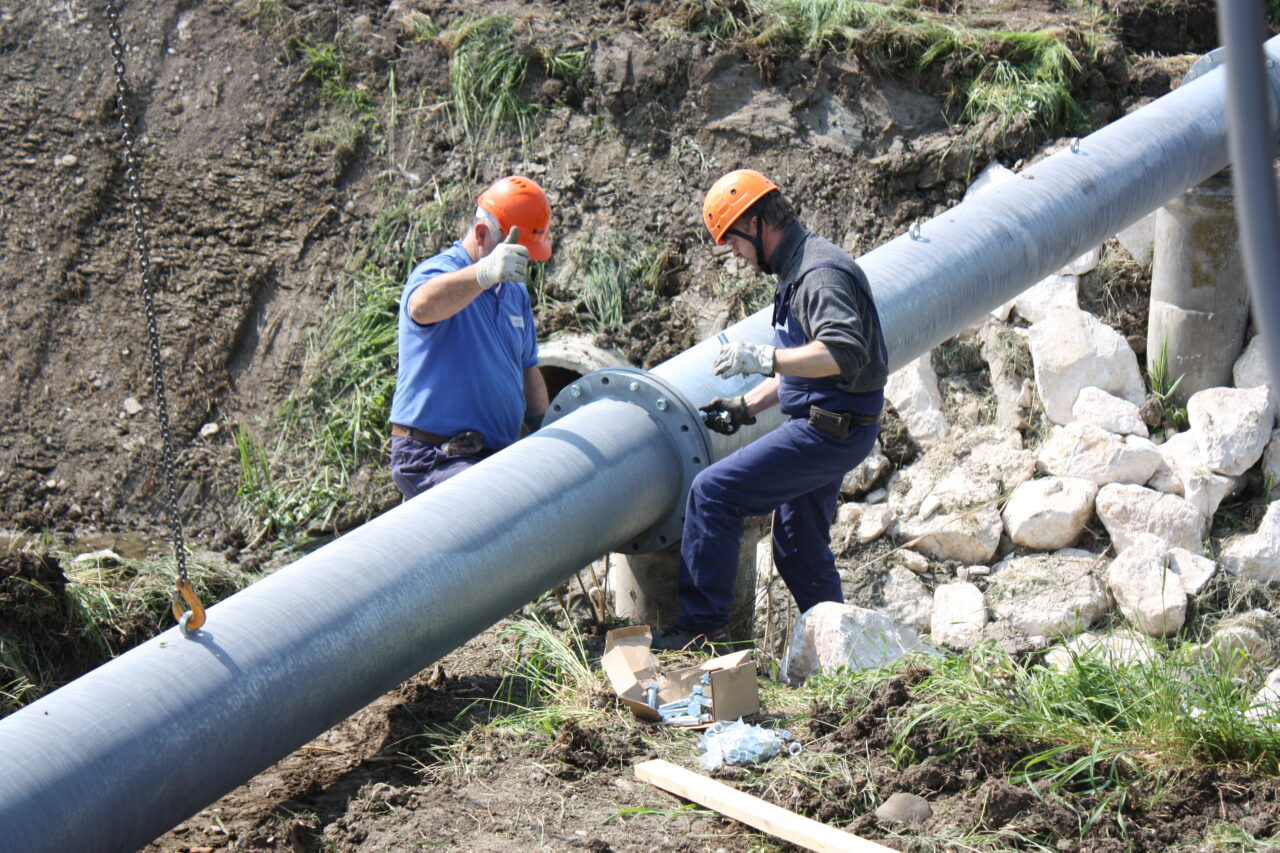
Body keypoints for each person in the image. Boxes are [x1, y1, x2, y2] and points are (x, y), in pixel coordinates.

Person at [652, 169, 889, 652]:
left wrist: (765, 358)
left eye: (734, 242)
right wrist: (747, 405)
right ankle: (842, 654)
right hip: (832, 423)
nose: (735, 255)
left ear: (758, 223)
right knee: (798, 550)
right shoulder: (797, 267)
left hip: (829, 431)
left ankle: (703, 629)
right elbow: (810, 367)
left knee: (713, 493)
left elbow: (843, 354)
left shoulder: (818, 275)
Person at [388, 175, 552, 500]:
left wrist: (547, 428)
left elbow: (527, 370)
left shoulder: (514, 293)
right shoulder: (442, 271)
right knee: (494, 505)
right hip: (434, 455)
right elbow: (421, 306)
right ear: (481, 234)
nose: (523, 263)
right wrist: (483, 274)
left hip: (489, 455)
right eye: (517, 252)